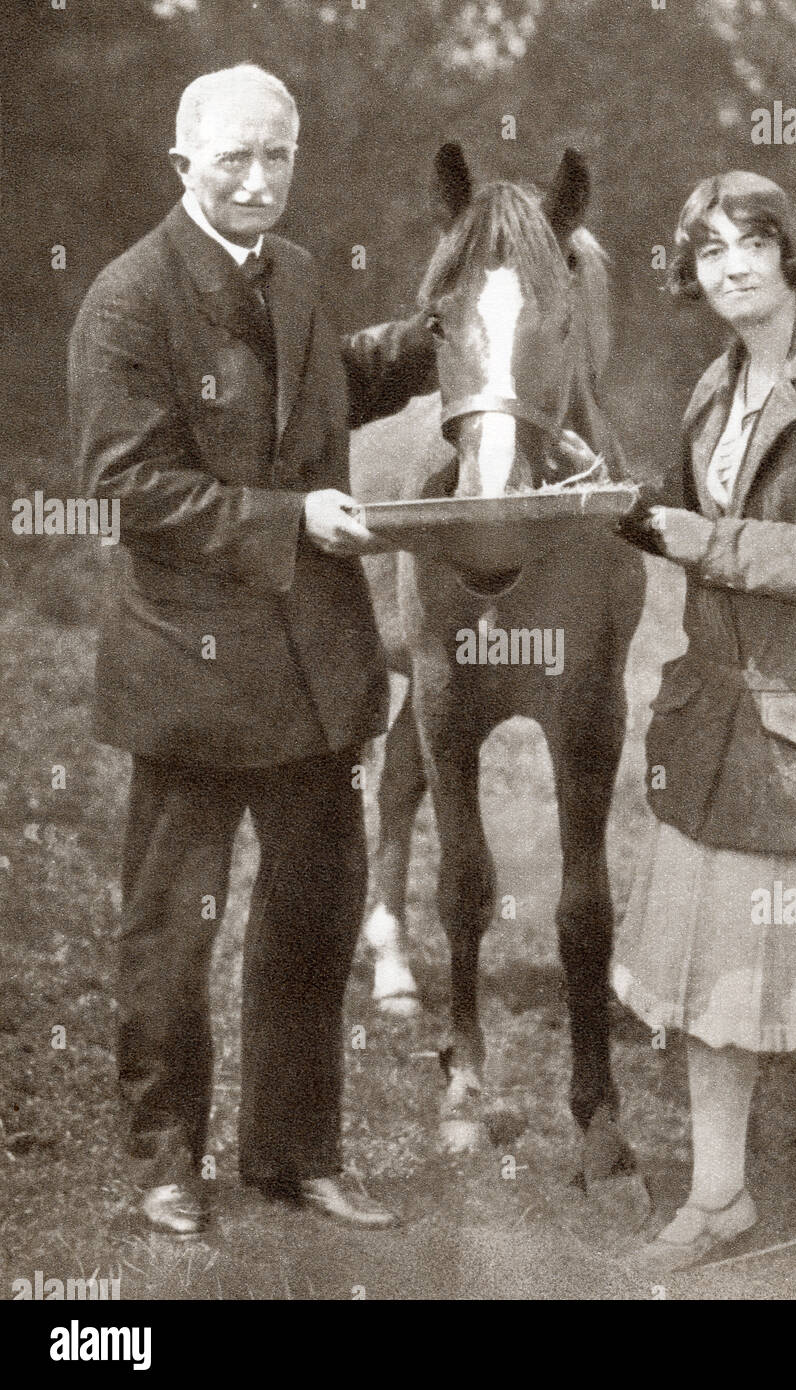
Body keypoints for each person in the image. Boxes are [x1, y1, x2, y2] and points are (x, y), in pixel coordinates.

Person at [68, 64, 436, 1236]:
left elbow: (334, 388)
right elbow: (129, 488)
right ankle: (169, 1159)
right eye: (233, 157)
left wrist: (446, 332)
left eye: (277, 154)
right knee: (174, 929)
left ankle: (295, 1154)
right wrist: (292, 520)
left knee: (312, 917)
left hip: (315, 675)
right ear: (184, 164)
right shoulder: (128, 299)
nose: (259, 178)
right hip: (188, 671)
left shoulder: (300, 276)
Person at [567, 170, 796, 1292]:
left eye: (749, 244)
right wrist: (607, 499)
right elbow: (682, 520)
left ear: (787, 255)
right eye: (708, 249)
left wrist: (702, 541)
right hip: (721, 726)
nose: (729, 266)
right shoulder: (712, 384)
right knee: (715, 984)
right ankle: (719, 1194)